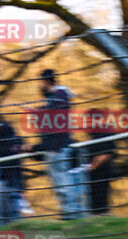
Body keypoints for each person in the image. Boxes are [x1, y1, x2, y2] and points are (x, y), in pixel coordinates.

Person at [31, 68, 80, 219]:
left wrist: (36, 113)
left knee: (62, 181)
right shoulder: (56, 97)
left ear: (45, 81)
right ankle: (67, 211)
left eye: (41, 82)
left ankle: (71, 212)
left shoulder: (58, 96)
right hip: (54, 145)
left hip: (57, 146)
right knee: (58, 182)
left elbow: (52, 117)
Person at [84, 110, 117, 214]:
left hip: (101, 170)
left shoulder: (103, 131)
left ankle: (102, 215)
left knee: (100, 196)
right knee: (97, 197)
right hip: (98, 170)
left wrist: (92, 166)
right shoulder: (97, 132)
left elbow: (105, 154)